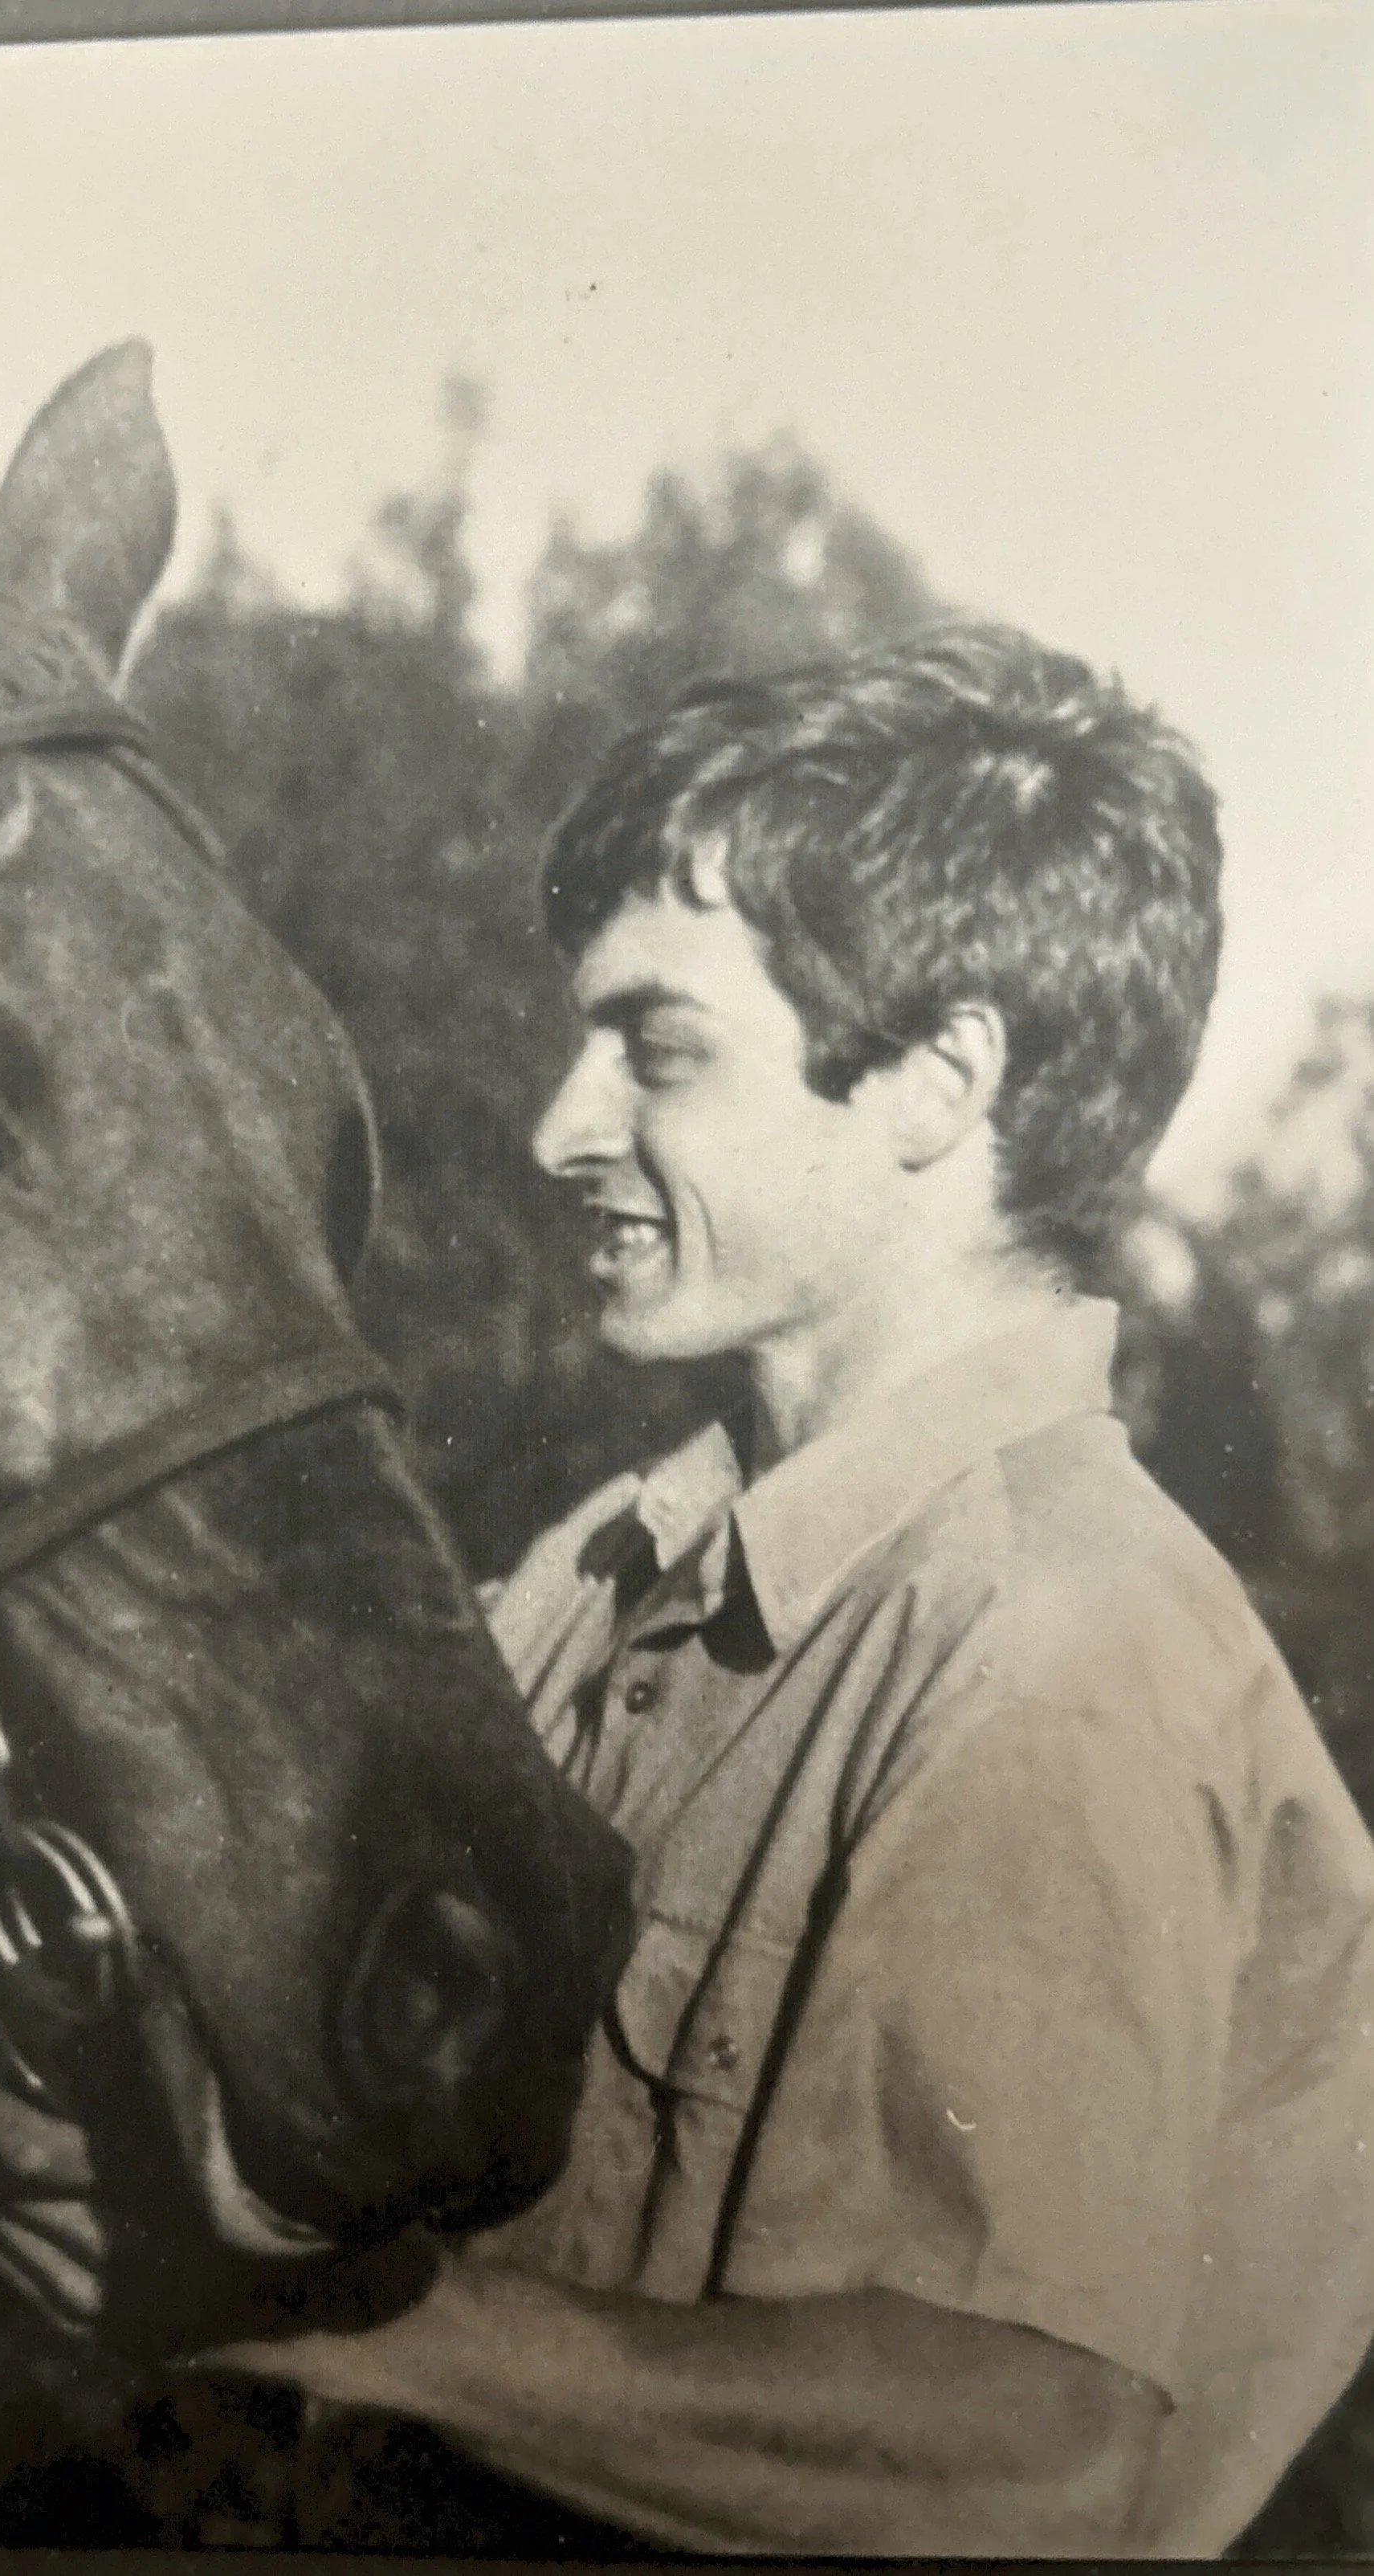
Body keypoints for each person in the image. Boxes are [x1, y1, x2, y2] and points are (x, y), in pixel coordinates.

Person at [211, 623, 1374, 2556]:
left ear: (938, 1080)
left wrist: (329, 2318)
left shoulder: (1051, 1643)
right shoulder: (614, 1567)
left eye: (657, 1046)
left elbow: (1020, 2452)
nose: (559, 1126)